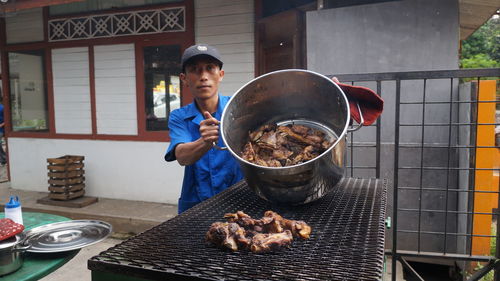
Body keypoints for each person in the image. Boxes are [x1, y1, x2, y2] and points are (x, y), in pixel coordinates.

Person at [164, 44, 243, 214]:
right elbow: (182, 156)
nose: (204, 76)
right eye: (195, 70)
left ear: (220, 75)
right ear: (184, 79)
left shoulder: (239, 108)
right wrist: (205, 142)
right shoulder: (179, 116)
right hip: (195, 206)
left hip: (240, 202)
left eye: (210, 68)